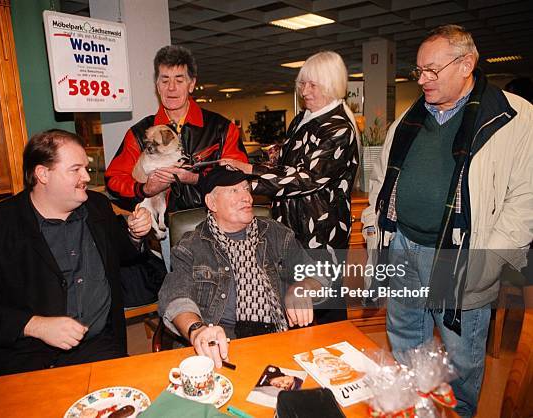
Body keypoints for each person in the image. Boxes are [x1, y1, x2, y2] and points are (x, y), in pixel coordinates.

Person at [362, 25, 533, 416]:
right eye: (418, 71)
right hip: (402, 246)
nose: (422, 80)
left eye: (432, 71)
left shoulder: (515, 117)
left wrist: (489, 260)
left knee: (461, 355)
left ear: (466, 64)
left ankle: (458, 413)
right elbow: (382, 178)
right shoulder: (410, 117)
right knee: (405, 335)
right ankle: (411, 408)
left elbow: (525, 201)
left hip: (460, 256)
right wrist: (375, 225)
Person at [0, 129, 153, 379]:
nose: (86, 176)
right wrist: (34, 325)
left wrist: (135, 235)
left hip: (98, 348)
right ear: (42, 174)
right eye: (75, 169)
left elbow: (122, 254)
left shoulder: (97, 207)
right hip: (23, 360)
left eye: (86, 167)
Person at [221, 51, 360, 323]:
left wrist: (251, 179)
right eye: (302, 84)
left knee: (323, 307)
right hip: (292, 228)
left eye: (312, 85)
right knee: (294, 302)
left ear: (331, 85)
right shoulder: (304, 119)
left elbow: (306, 178)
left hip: (321, 231)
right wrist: (255, 165)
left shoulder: (339, 127)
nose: (304, 91)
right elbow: (289, 165)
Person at [158, 166, 327, 368]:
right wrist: (197, 330)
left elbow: (318, 274)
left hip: (278, 338)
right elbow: (177, 297)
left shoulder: (276, 234)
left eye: (246, 189)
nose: (247, 197)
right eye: (234, 190)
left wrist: (301, 288)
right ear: (211, 202)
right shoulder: (191, 246)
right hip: (221, 347)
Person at [105, 45, 248, 215]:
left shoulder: (221, 128)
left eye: (179, 81)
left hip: (212, 221)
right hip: (160, 230)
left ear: (191, 84)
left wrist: (195, 179)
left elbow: (239, 176)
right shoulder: (139, 133)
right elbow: (114, 180)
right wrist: (144, 189)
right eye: (165, 81)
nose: (171, 88)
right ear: (157, 86)